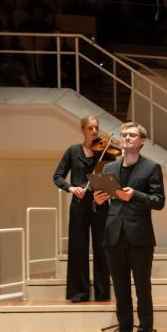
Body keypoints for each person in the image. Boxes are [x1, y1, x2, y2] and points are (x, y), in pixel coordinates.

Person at [94, 122, 164, 332]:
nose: (126, 138)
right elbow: (100, 204)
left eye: (132, 135)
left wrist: (136, 195)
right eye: (124, 135)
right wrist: (99, 200)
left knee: (143, 290)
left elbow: (159, 201)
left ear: (142, 141)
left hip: (140, 237)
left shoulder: (152, 167)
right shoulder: (109, 168)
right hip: (113, 236)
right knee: (121, 291)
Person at [53, 115, 110, 303]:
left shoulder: (104, 152)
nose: (95, 131)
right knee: (78, 248)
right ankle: (79, 293)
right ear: (83, 129)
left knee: (102, 249)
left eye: (97, 128)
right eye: (91, 128)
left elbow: (112, 176)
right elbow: (58, 176)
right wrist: (70, 187)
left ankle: (102, 293)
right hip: (79, 205)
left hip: (100, 203)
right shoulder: (72, 151)